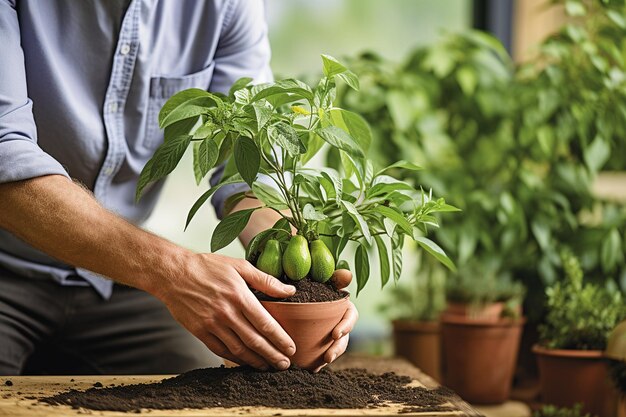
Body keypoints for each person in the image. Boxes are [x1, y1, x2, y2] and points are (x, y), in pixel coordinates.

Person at [0, 0, 357, 375]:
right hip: (12, 267)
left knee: (216, 387)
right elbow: (6, 159)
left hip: (117, 281)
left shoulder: (228, 6)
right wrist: (174, 272)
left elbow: (246, 170)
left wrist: (297, 272)